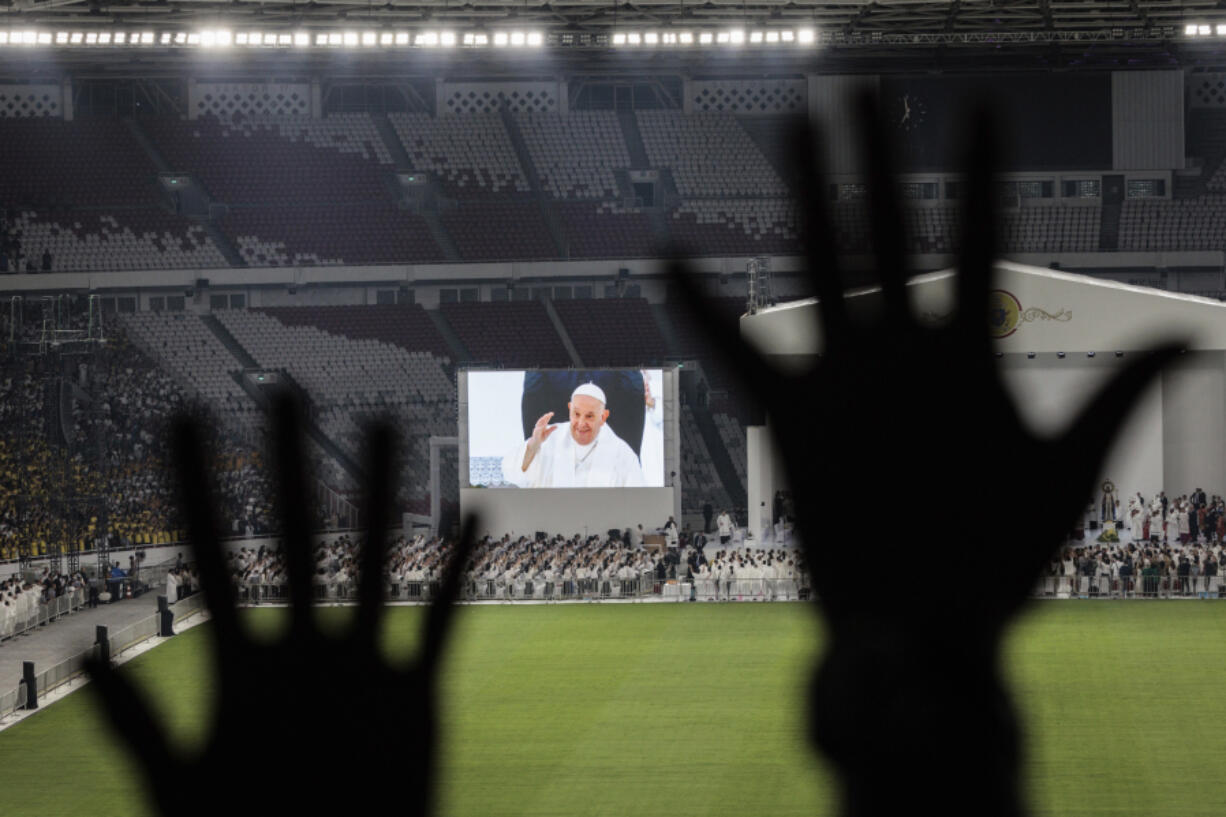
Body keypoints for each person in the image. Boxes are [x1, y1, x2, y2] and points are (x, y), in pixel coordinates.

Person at [500, 383, 646, 488]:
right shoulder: (548, 438)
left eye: (589, 416)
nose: (581, 423)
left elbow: (637, 500)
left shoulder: (622, 454)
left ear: (603, 417)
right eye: (576, 414)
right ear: (570, 409)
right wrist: (532, 446)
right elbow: (512, 475)